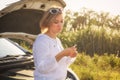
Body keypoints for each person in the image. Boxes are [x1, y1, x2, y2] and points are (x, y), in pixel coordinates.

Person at [32, 7, 77, 80]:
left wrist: (70, 56)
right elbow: (42, 68)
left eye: (61, 21)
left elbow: (62, 64)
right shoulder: (42, 40)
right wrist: (62, 54)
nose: (60, 25)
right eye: (56, 22)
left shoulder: (57, 40)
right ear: (48, 22)